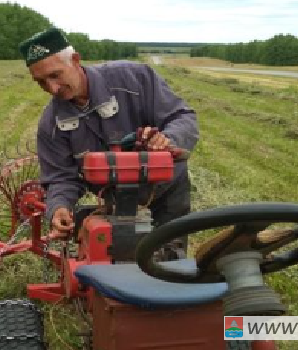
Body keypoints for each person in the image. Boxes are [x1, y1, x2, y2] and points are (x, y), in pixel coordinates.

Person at [19, 28, 199, 259]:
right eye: (41, 82)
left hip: (166, 190)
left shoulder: (134, 79)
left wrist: (169, 139)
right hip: (117, 200)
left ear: (75, 60)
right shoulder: (51, 123)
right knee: (121, 261)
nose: (52, 89)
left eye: (56, 75)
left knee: (170, 259)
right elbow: (60, 177)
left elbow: (182, 117)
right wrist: (59, 207)